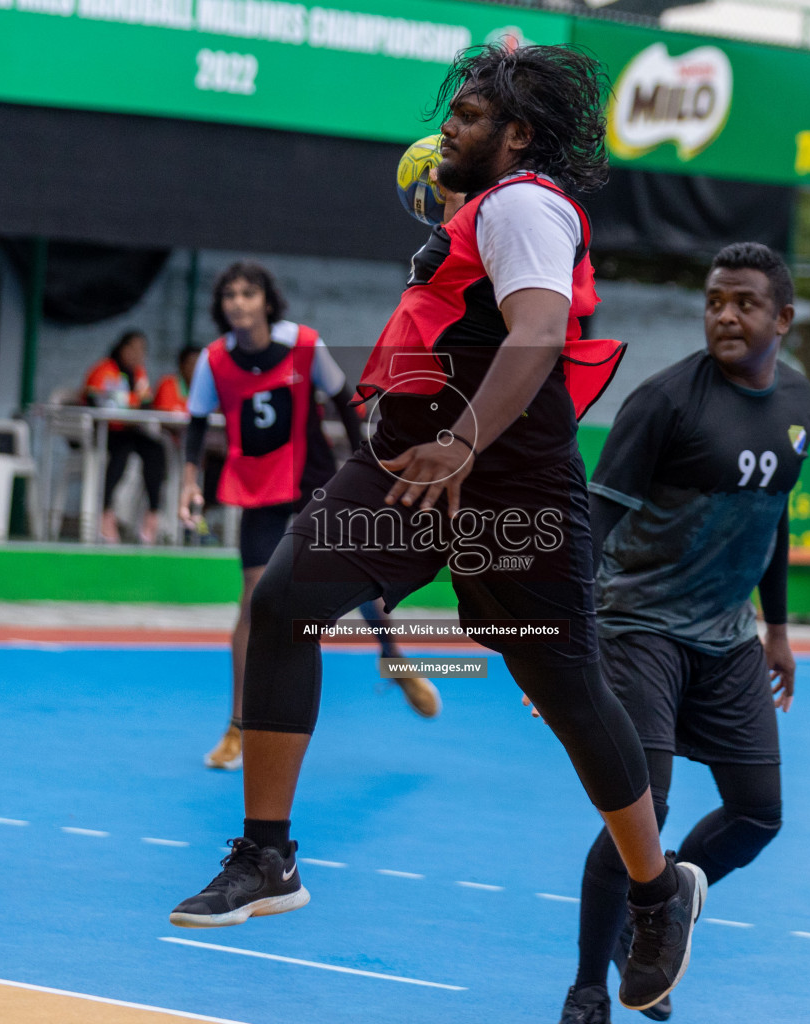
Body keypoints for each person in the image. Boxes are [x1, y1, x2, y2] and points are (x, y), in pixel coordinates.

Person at [167, 44, 701, 1016]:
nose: (445, 128)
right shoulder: (478, 214)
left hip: (500, 474)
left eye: (465, 116)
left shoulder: (527, 205)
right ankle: (268, 854)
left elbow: (538, 334)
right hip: (410, 466)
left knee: (569, 687)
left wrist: (461, 439)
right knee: (286, 597)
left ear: (518, 136)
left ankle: (659, 890)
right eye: (448, 113)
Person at [553, 243, 810, 1024]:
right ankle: (588, 987)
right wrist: (567, 648)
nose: (726, 315)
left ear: (784, 319)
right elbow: (591, 528)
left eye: (744, 303)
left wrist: (778, 628)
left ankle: (657, 912)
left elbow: (776, 516)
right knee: (644, 812)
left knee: (758, 813)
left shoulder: (799, 401)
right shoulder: (664, 402)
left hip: (729, 637)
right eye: (714, 301)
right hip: (638, 629)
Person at [179, 262, 442, 770]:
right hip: (258, 487)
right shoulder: (214, 362)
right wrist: (190, 481)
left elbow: (346, 403)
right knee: (252, 603)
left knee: (358, 578)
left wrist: (369, 465)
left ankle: (394, 658)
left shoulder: (304, 345)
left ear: (266, 301)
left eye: (248, 293)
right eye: (230, 294)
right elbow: (194, 426)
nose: (238, 302)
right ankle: (237, 727)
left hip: (314, 480)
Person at [84, 330, 166, 545]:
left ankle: (153, 512)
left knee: (156, 450)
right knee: (122, 452)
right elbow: (96, 401)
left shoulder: (139, 374)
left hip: (130, 430)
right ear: (122, 348)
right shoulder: (104, 369)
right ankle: (105, 511)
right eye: (134, 348)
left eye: (142, 350)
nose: (138, 354)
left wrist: (126, 402)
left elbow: (147, 403)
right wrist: (131, 402)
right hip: (104, 432)